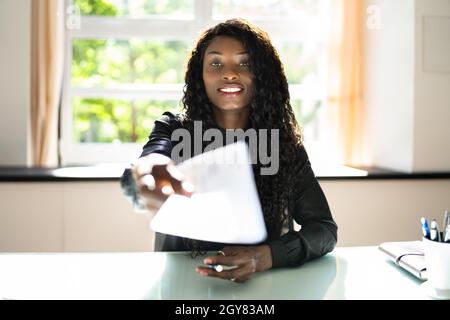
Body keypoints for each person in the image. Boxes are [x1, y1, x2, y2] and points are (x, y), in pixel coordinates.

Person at [121, 18, 337, 283]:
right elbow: (150, 160)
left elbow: (324, 230)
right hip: (182, 287)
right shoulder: (174, 130)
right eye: (215, 63)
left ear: (263, 74)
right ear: (199, 74)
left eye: (244, 62)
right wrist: (146, 170)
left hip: (261, 289)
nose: (230, 73)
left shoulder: (283, 146)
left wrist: (265, 256)